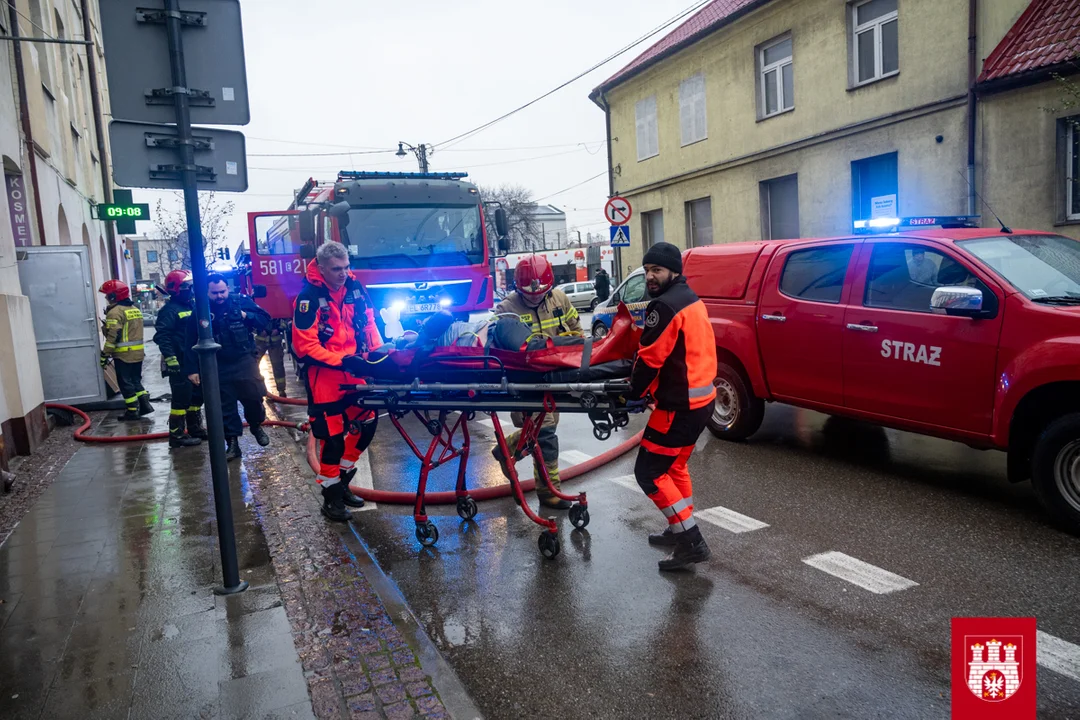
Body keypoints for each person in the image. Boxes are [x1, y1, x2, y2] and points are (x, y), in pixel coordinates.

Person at [628, 242, 717, 571]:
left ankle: (690, 541)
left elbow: (650, 359)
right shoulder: (690, 298)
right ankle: (678, 529)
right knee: (675, 468)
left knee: (648, 474)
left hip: (678, 407)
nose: (651, 276)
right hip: (701, 402)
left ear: (674, 272)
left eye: (658, 271)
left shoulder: (663, 307)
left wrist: (631, 394)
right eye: (648, 270)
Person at [292, 241, 381, 522]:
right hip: (325, 375)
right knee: (331, 440)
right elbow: (304, 346)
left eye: (346, 267)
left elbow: (369, 324)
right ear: (321, 268)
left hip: (355, 368)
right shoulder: (308, 297)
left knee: (367, 424)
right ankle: (331, 498)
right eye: (336, 269)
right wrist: (341, 361)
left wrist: (378, 359)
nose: (343, 273)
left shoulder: (355, 288)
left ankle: (341, 481)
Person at [490, 254, 582, 509]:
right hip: (524, 385)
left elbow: (576, 331)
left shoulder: (560, 299)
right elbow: (499, 349)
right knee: (546, 435)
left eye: (540, 293)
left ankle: (506, 448)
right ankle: (549, 491)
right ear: (518, 288)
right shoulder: (507, 309)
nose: (534, 296)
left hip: (553, 380)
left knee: (539, 433)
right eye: (528, 294)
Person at [184, 273, 272, 461]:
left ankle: (256, 425)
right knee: (224, 406)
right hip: (217, 364)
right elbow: (190, 340)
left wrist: (246, 316)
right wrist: (192, 369)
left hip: (243, 360)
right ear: (207, 292)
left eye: (222, 291)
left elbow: (265, 319)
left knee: (254, 396)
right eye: (214, 293)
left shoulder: (240, 302)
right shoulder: (200, 309)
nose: (219, 296)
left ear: (228, 289)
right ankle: (232, 444)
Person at [153, 270, 204, 448]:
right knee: (181, 399)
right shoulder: (169, 311)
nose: (189, 290)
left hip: (193, 360)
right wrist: (171, 359)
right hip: (179, 361)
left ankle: (195, 428)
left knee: (196, 397)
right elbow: (163, 336)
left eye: (190, 286)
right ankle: (177, 436)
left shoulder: (191, 306)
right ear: (175, 289)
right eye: (185, 286)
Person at [99, 280, 153, 421]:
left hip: (123, 355)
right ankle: (144, 405)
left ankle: (132, 411)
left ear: (113, 296)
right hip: (138, 353)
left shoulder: (115, 312)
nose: (105, 298)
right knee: (135, 380)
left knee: (125, 383)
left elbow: (113, 335)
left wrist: (105, 354)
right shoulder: (134, 309)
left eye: (107, 295)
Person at [256, 318, 290, 397]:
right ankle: (258, 389)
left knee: (278, 366)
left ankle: (281, 390)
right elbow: (250, 320)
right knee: (254, 365)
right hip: (260, 341)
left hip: (275, 342)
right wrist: (258, 330)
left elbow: (287, 319)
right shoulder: (256, 306)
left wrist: (279, 329)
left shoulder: (278, 307)